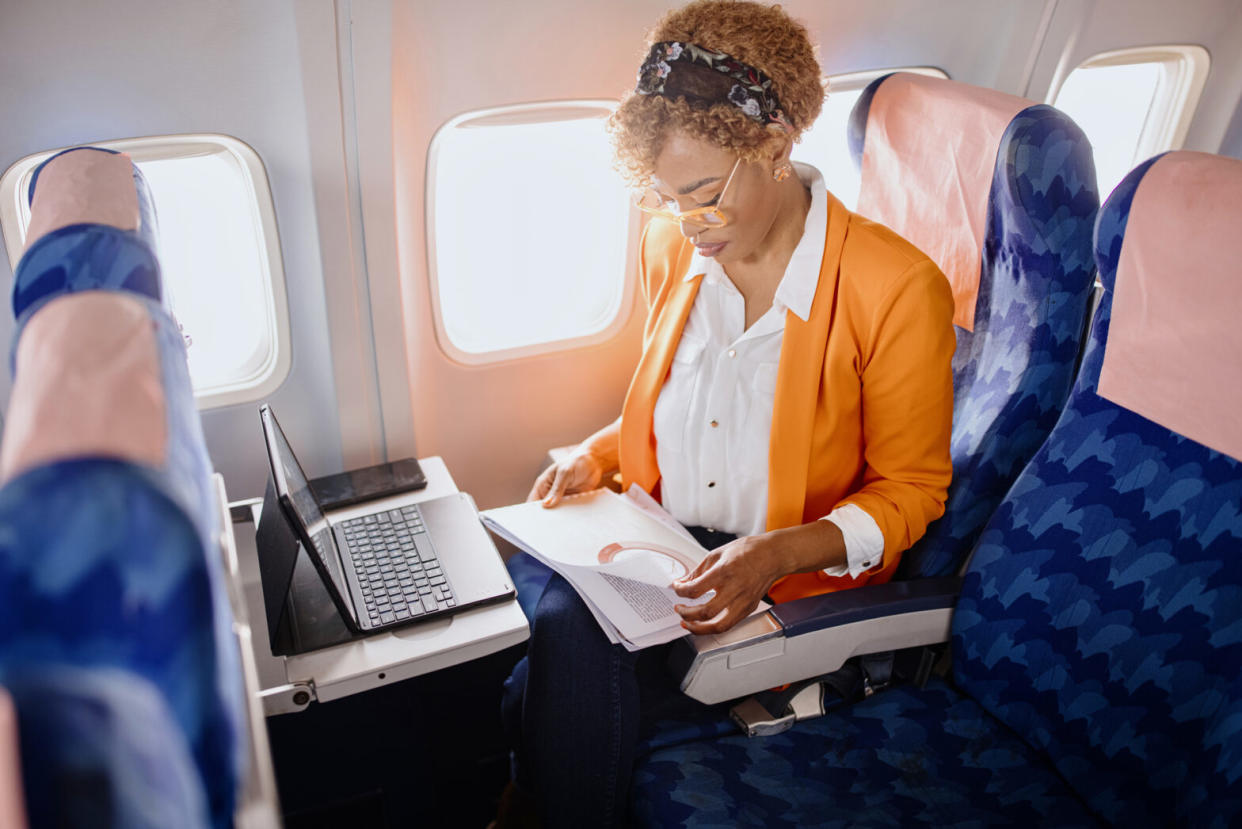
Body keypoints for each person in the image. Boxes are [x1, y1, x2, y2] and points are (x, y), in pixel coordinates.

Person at [499, 1, 955, 825]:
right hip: (662, 546)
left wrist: (773, 551)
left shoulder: (895, 289)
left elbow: (912, 491)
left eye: (704, 194)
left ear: (775, 148)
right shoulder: (672, 246)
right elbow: (690, 409)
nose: (686, 224)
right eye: (665, 196)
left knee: (545, 669)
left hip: (782, 582)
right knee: (539, 642)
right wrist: (600, 454)